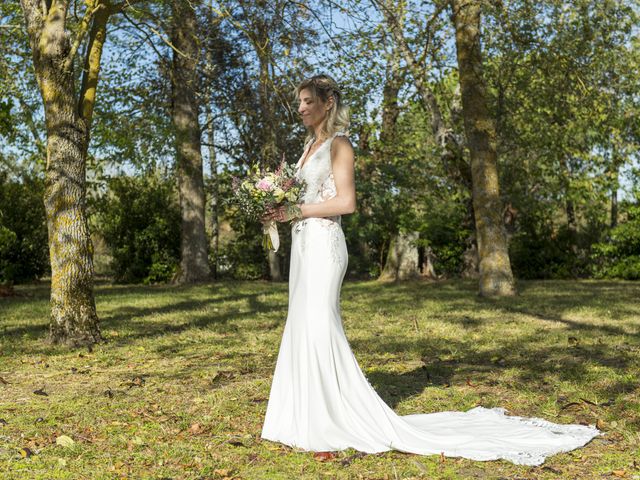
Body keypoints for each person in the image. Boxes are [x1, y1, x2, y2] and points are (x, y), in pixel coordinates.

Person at [259, 73, 599, 465]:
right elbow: (302, 195)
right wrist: (277, 209)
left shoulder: (340, 145)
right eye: (299, 102)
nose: (300, 108)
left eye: (307, 102)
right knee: (301, 322)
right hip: (302, 246)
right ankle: (299, 416)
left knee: (320, 323)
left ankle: (330, 420)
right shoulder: (306, 147)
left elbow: (346, 202)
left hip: (324, 246)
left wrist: (296, 209)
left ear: (328, 103)